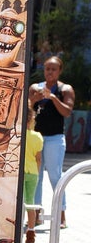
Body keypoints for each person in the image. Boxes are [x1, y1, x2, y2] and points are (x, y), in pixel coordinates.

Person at [29, 56, 75, 228]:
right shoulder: (35, 87)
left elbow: (67, 112)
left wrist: (53, 98)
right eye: (47, 68)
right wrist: (35, 99)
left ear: (59, 71)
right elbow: (25, 107)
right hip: (36, 137)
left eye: (53, 69)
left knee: (55, 176)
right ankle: (37, 214)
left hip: (55, 138)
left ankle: (61, 214)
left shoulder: (65, 89)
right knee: (36, 176)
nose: (49, 72)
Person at [23, 109, 43, 243]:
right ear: (31, 120)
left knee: (20, 203)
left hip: (20, 173)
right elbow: (38, 159)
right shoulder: (37, 137)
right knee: (30, 203)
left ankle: (17, 230)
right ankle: (31, 232)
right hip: (33, 173)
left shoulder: (18, 135)